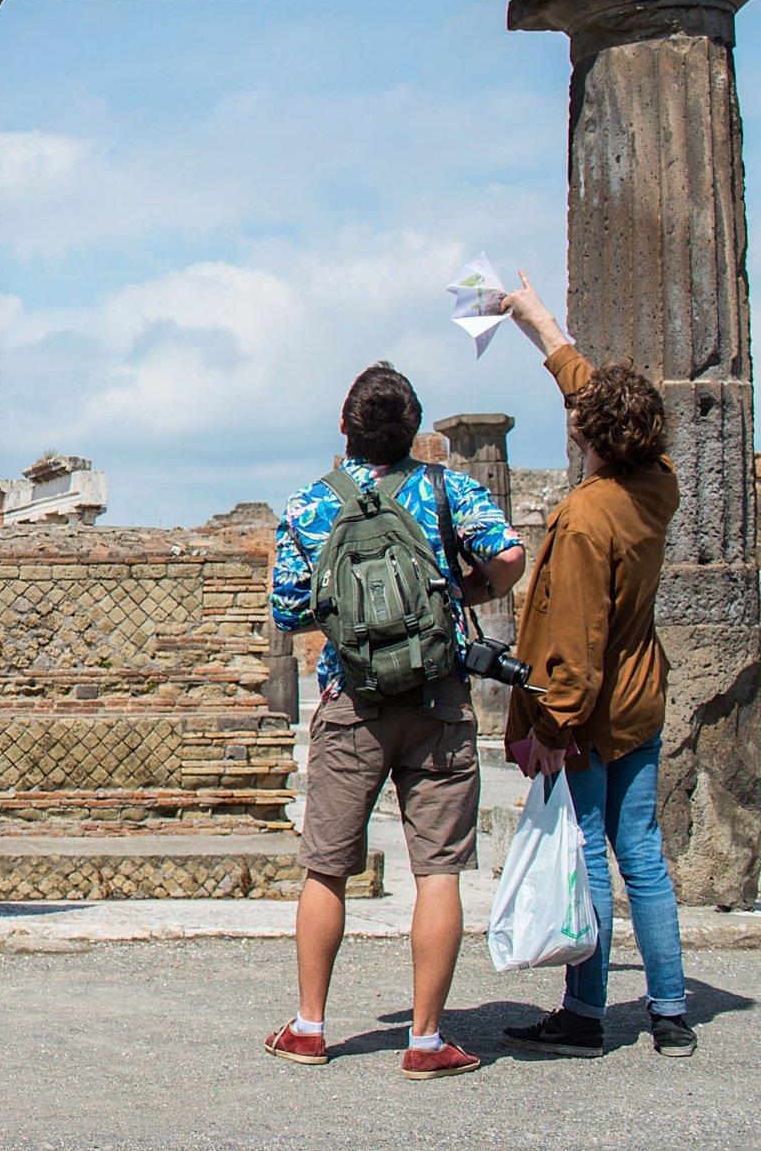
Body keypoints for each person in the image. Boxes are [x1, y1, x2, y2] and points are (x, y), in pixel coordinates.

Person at [264, 361, 525, 1078]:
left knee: (326, 868)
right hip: (438, 700)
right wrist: (464, 588)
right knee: (438, 871)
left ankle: (311, 1026)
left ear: (344, 429)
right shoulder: (449, 488)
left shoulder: (311, 505)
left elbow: (289, 611)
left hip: (352, 702)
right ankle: (426, 1039)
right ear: (415, 432)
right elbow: (509, 556)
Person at [496, 273, 696, 1059]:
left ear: (588, 437)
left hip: (590, 710)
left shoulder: (584, 518)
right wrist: (538, 324)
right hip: (643, 692)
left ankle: (584, 1013)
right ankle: (671, 1010)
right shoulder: (659, 482)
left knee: (584, 850)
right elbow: (602, 400)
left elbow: (573, 648)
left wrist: (553, 726)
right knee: (641, 851)